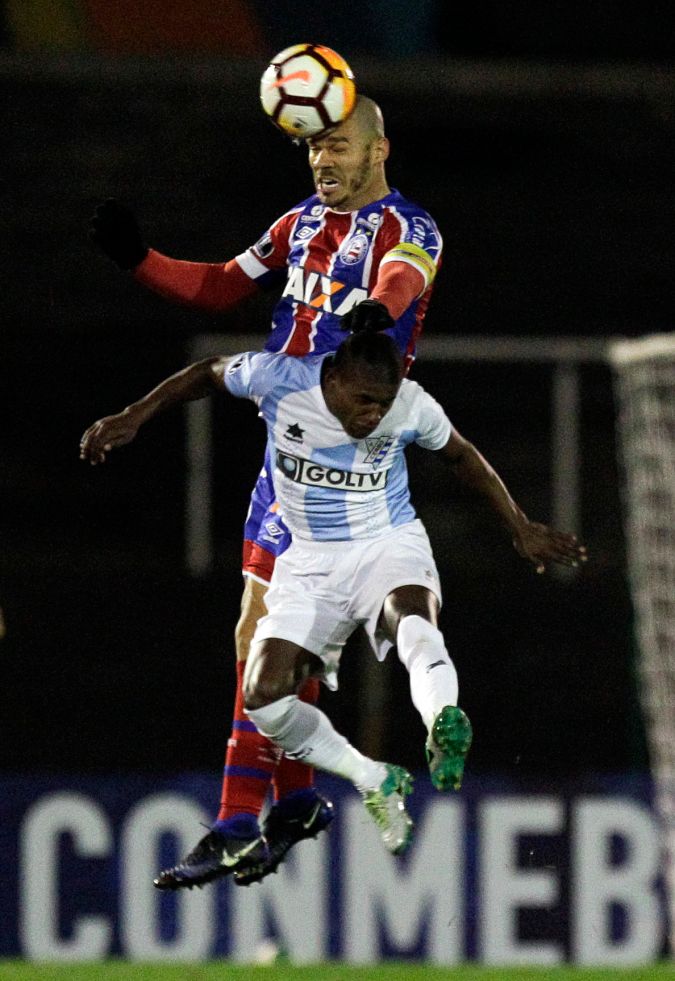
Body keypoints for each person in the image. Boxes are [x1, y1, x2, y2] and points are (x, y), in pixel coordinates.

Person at [89, 94, 444, 885]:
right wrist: (139, 258)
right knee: (266, 638)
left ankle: (239, 818)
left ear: (378, 149)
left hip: (347, 470)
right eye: (314, 146)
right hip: (284, 457)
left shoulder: (409, 228)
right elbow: (220, 286)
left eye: (340, 145)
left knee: (271, 640)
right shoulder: (298, 226)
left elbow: (398, 282)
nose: (323, 158)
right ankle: (289, 802)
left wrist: (371, 315)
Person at [80, 327, 587, 879]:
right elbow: (205, 372)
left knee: (411, 619)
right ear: (335, 377)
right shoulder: (280, 380)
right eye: (364, 400)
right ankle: (374, 779)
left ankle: (443, 719)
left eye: (384, 404)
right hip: (309, 564)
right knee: (263, 698)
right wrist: (135, 414)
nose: (374, 415)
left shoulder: (410, 405)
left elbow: (462, 455)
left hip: (386, 543)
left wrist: (519, 526)